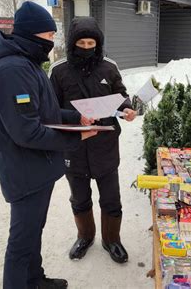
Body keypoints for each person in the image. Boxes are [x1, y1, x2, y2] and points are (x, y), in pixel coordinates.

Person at [0, 1, 97, 289]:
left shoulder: (28, 64)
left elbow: (47, 113)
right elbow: (26, 132)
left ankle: (35, 280)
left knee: (34, 232)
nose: (51, 43)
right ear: (31, 35)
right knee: (21, 243)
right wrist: (74, 137)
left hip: (39, 169)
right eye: (47, 37)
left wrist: (75, 118)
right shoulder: (11, 71)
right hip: (24, 173)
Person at [49, 17, 137, 264]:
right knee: (79, 198)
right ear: (72, 43)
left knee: (111, 198)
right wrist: (75, 123)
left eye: (91, 43)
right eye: (81, 42)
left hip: (105, 146)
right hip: (74, 148)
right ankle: (85, 236)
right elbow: (51, 110)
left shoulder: (109, 67)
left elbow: (121, 96)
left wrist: (127, 109)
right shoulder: (59, 71)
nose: (87, 47)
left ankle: (112, 240)